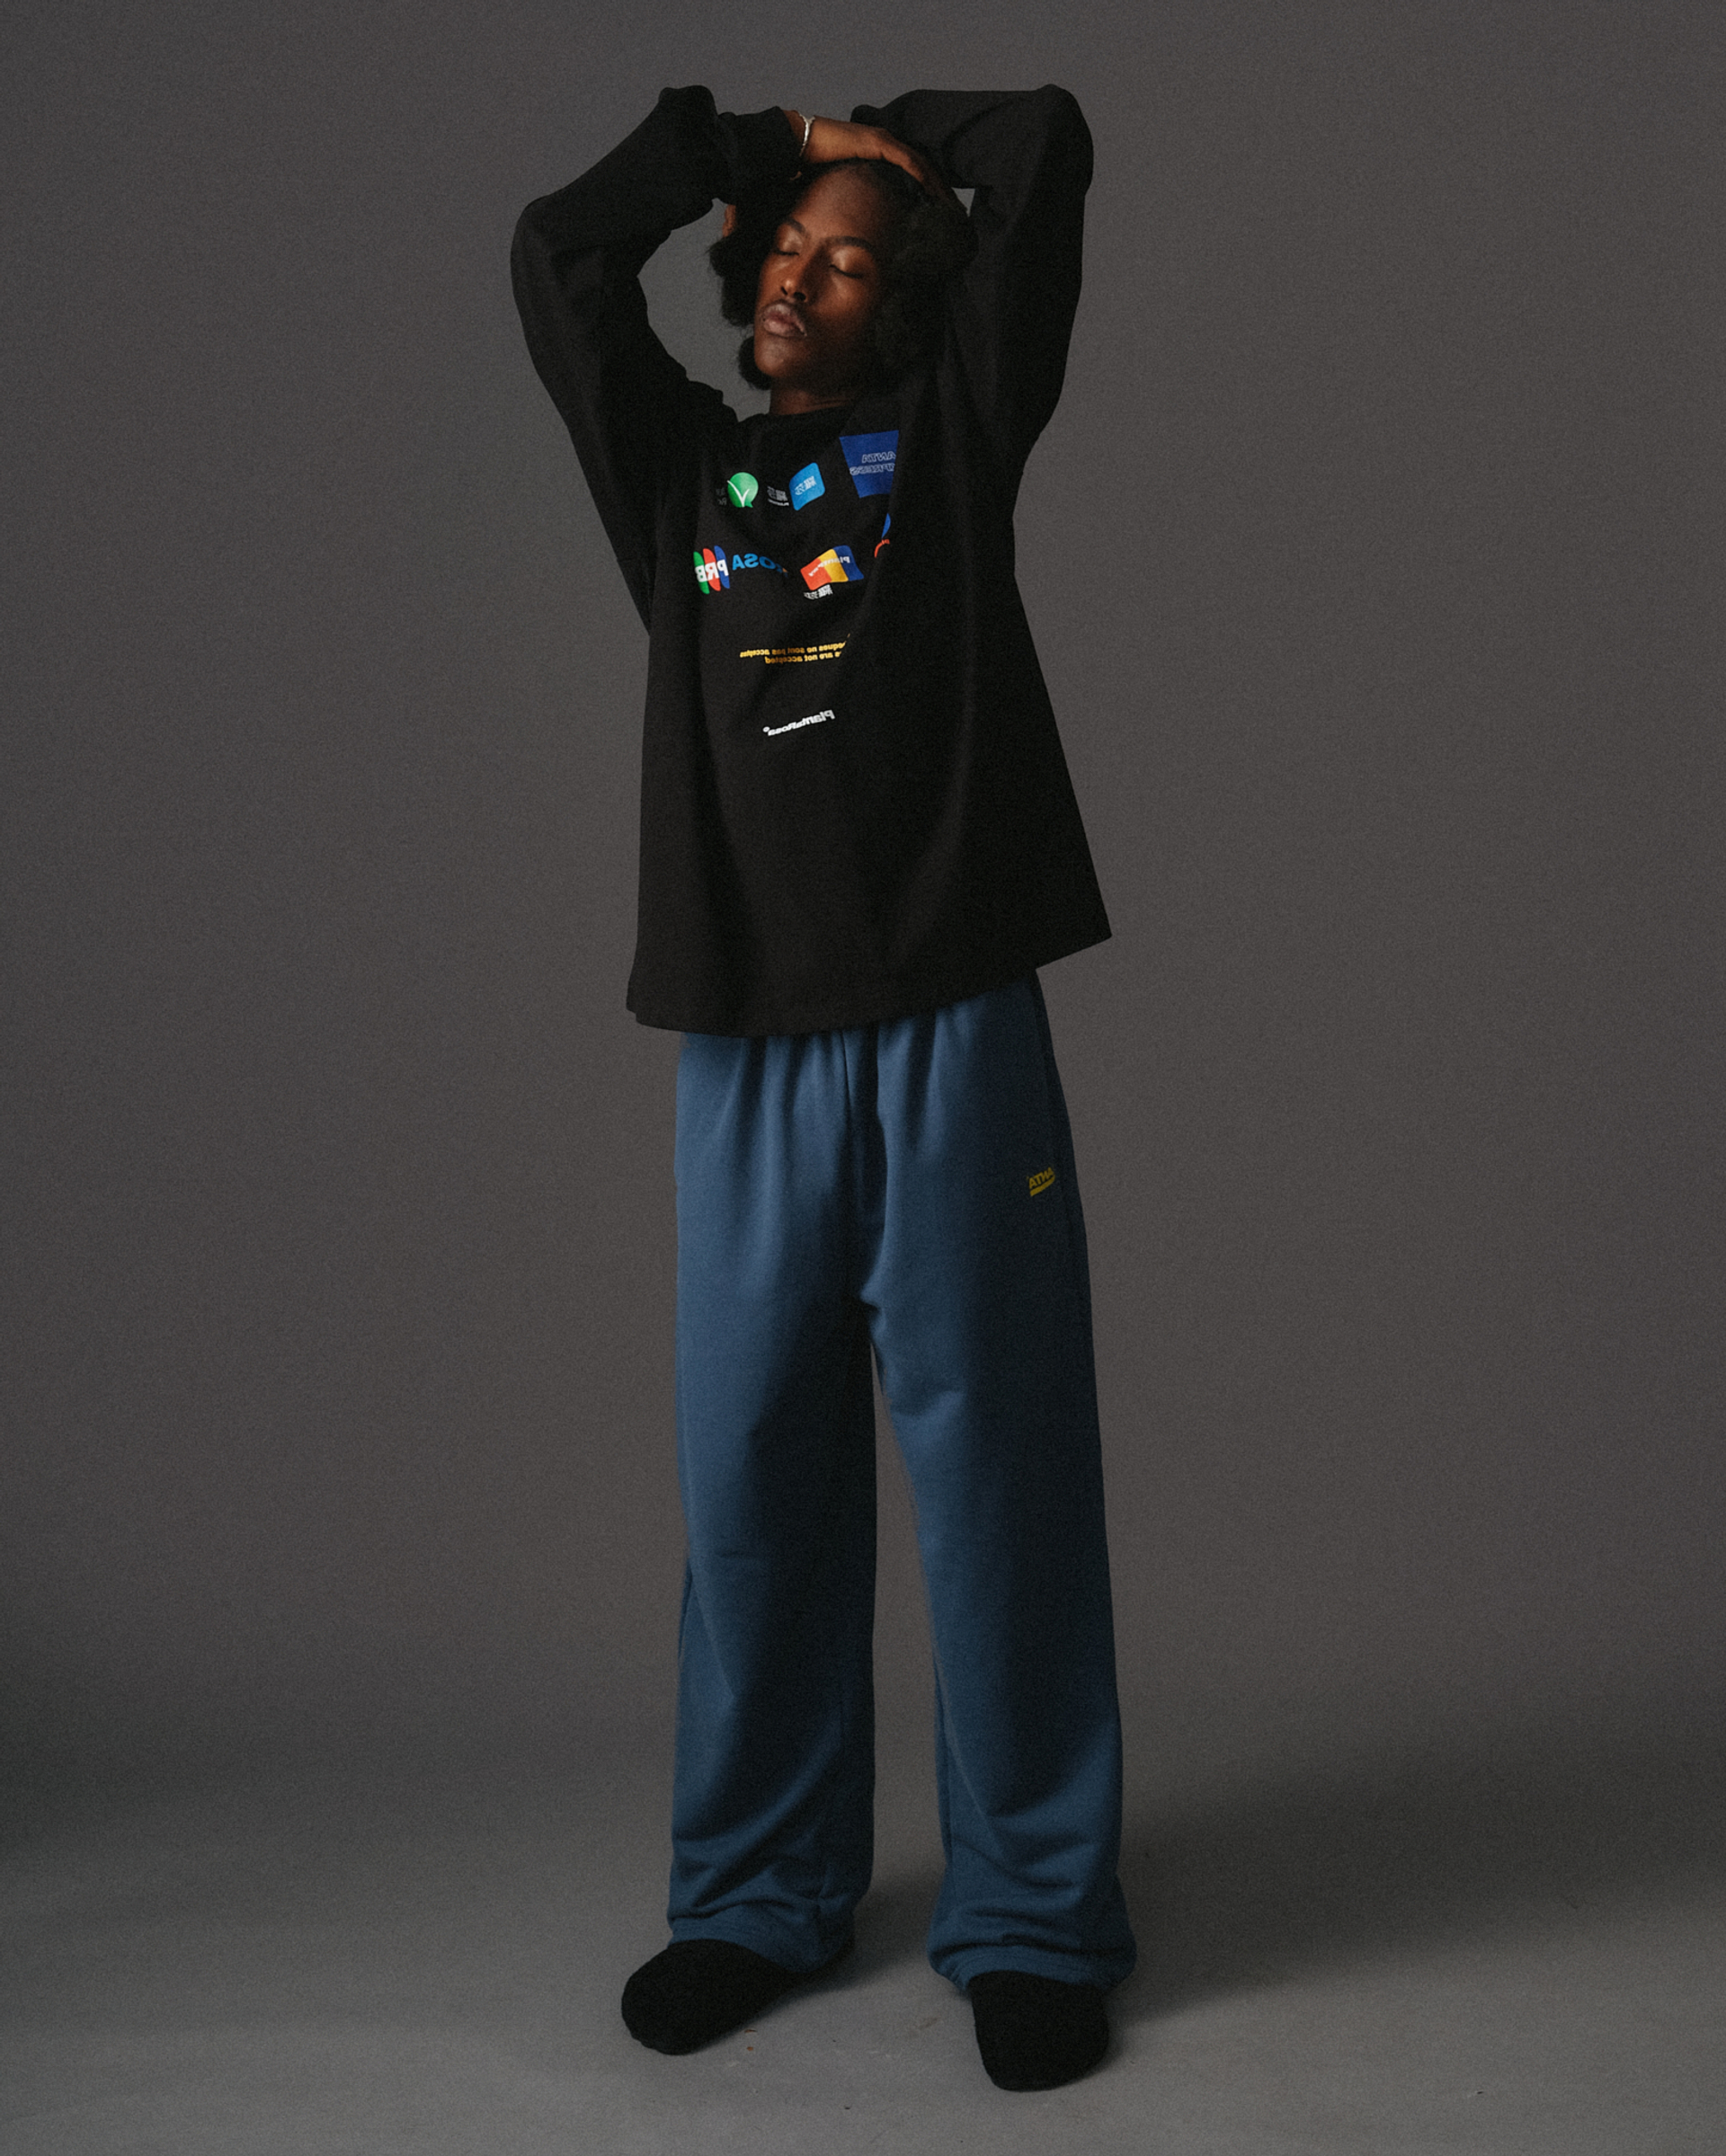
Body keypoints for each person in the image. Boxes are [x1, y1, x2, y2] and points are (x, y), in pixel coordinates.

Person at [512, 84, 1135, 2092]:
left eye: (849, 258)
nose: (799, 276)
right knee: (754, 1485)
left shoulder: (951, 441)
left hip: (954, 1034)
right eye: (783, 252)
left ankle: (1034, 1917)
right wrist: (739, 146)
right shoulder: (682, 479)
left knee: (1000, 1477)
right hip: (751, 1054)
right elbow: (556, 258)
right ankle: (757, 1893)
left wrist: (894, 134)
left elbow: (1047, 146)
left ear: (910, 298)